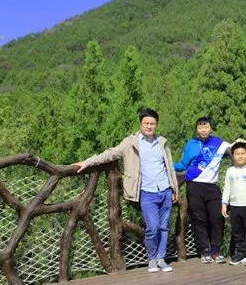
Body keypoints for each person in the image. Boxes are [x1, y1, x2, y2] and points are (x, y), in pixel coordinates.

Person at [73, 107, 179, 273]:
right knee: (152, 227)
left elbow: (170, 168)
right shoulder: (131, 142)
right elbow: (111, 153)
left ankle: (161, 259)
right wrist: (87, 162)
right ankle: (152, 260)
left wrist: (174, 188)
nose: (149, 126)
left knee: (164, 227)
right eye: (146, 123)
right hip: (146, 192)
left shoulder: (162, 143)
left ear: (156, 124)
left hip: (165, 190)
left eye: (152, 123)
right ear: (140, 124)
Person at [173, 116, 231, 264]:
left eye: (206, 126)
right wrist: (169, 166)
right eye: (200, 127)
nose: (203, 129)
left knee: (217, 218)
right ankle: (204, 250)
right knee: (199, 219)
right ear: (196, 129)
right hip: (194, 185)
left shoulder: (219, 143)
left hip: (212, 186)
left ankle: (216, 250)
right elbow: (184, 164)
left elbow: (236, 149)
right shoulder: (191, 144)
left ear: (211, 128)